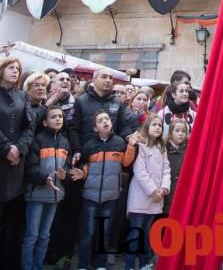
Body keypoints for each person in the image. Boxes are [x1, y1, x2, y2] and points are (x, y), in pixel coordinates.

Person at [71, 111, 139, 270]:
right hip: (90, 195)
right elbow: (84, 165)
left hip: (111, 196)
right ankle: (82, 264)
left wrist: (130, 146)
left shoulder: (119, 142)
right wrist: (83, 172)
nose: (105, 122)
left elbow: (126, 163)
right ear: (95, 128)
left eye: (107, 119)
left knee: (104, 232)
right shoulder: (89, 145)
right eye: (101, 120)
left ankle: (100, 264)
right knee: (88, 233)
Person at [21, 105, 72, 270]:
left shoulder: (65, 142)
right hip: (37, 194)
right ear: (44, 122)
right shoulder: (38, 140)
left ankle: (38, 266)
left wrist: (68, 174)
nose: (58, 119)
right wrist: (45, 179)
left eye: (60, 116)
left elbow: (68, 166)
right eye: (53, 117)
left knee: (45, 235)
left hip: (55, 195)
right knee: (32, 235)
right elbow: (30, 167)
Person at [0, 57, 34, 270]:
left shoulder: (22, 96)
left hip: (15, 167)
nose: (15, 71)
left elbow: (29, 127)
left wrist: (19, 149)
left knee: (12, 224)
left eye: (18, 69)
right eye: (11, 68)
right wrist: (6, 148)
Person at [125, 113, 170, 270]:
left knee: (146, 233)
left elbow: (166, 170)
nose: (157, 127)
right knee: (135, 233)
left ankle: (144, 263)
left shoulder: (162, 147)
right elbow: (140, 172)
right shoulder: (141, 146)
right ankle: (130, 265)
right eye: (154, 125)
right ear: (147, 127)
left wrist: (163, 189)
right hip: (141, 197)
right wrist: (153, 191)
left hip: (156, 198)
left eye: (159, 125)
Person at [163, 120, 190, 214]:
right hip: (165, 195)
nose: (180, 134)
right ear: (170, 133)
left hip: (180, 195)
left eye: (183, 131)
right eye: (177, 130)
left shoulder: (189, 150)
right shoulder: (164, 149)